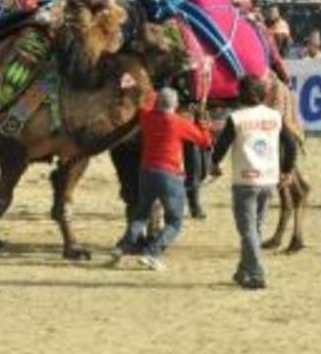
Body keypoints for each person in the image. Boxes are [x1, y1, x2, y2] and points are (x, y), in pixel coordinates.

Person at [210, 76, 297, 290]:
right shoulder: (275, 116)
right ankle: (244, 270)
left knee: (247, 230)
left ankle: (257, 272)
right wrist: (286, 170)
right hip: (268, 179)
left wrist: (213, 164)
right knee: (255, 228)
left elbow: (221, 146)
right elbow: (291, 145)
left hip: (245, 180)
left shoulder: (237, 118)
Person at [111, 87, 212, 271]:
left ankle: (122, 247)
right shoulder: (178, 122)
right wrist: (202, 122)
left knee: (140, 214)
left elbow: (144, 105)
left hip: (146, 172)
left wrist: (147, 90)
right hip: (170, 175)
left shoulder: (147, 117)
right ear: (175, 105)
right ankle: (152, 253)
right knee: (175, 221)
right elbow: (205, 141)